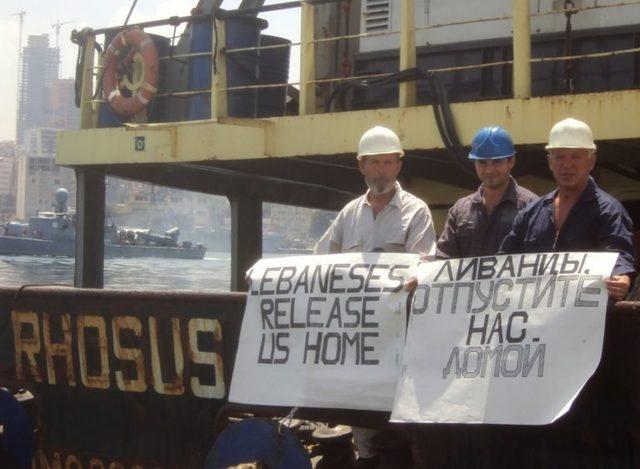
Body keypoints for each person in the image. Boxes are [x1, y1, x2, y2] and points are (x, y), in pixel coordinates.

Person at [315, 125, 437, 468]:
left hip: (400, 337)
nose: (381, 170)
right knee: (363, 427)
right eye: (374, 163)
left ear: (399, 165)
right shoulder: (349, 214)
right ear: (361, 166)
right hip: (358, 338)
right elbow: (320, 260)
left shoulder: (417, 213)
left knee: (400, 424)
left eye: (388, 162)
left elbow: (424, 269)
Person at [500, 117, 636, 300]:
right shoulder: (530, 214)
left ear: (591, 161)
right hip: (537, 322)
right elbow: (504, 261)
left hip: (584, 323)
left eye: (576, 156)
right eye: (559, 156)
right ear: (549, 162)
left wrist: (622, 278)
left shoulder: (609, 211)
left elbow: (618, 255)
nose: (567, 164)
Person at [436, 126, 537, 259]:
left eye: (496, 162)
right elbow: (444, 258)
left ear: (511, 161)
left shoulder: (531, 207)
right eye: (482, 163)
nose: (489, 170)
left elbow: (539, 260)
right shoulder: (460, 210)